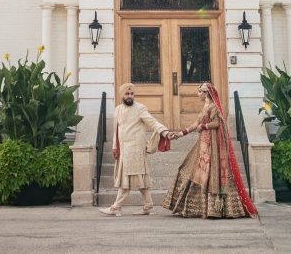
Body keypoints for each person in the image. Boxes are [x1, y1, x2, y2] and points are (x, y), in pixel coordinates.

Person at [162, 82, 257, 219]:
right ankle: (196, 208)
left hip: (212, 145)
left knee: (209, 173)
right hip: (203, 144)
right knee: (188, 168)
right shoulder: (205, 107)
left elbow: (217, 123)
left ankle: (216, 209)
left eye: (200, 91)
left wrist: (204, 126)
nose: (198, 94)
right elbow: (196, 124)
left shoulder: (214, 107)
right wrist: (181, 133)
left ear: (206, 93)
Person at [98, 82, 179, 216]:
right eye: (127, 94)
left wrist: (165, 132)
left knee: (126, 181)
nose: (130, 96)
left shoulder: (140, 108)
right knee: (141, 180)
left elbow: (153, 122)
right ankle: (148, 206)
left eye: (132, 94)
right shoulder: (118, 109)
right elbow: (116, 130)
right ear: (121, 95)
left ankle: (116, 208)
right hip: (124, 150)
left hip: (136, 150)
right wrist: (114, 146)